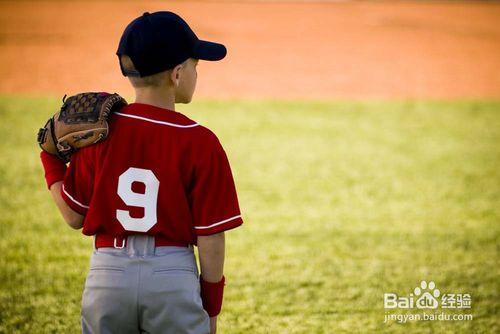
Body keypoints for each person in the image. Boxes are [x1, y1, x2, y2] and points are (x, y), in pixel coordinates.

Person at [39, 11, 243, 334]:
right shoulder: (202, 142)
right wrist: (212, 310)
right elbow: (211, 237)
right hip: (171, 276)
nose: (196, 74)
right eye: (195, 66)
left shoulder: (99, 134)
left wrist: (49, 158)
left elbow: (73, 215)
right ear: (177, 74)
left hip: (108, 274)